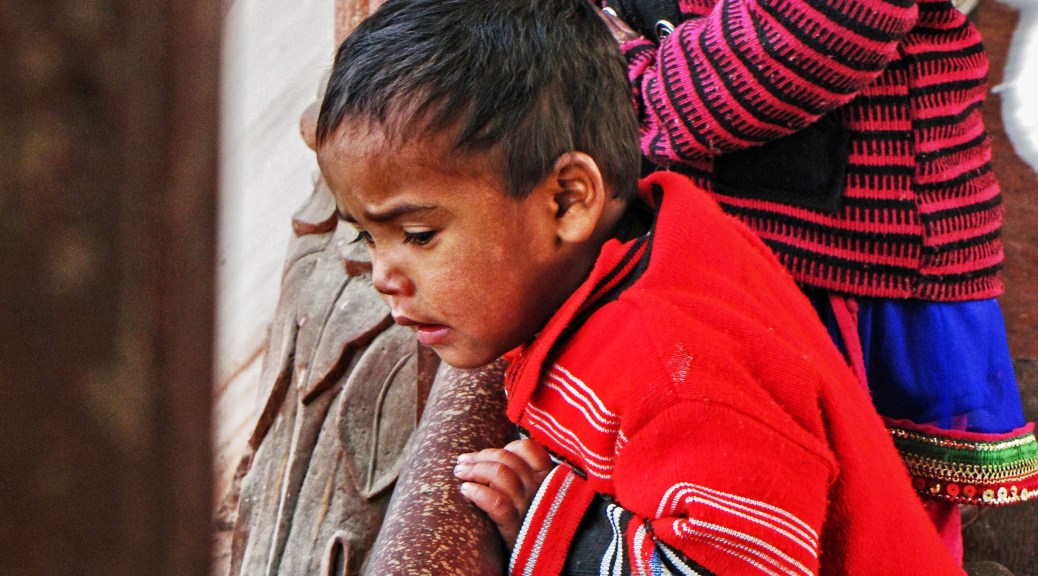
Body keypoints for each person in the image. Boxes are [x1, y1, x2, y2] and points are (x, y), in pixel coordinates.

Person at [314, 0, 964, 573]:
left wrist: (558, 526)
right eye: (366, 238)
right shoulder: (642, 247)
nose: (384, 277)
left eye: (420, 235)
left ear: (568, 201)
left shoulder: (675, 366)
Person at [594, 0, 1038, 562]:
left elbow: (828, 25)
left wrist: (625, 84)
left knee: (862, 526)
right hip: (725, 237)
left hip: (845, 264)